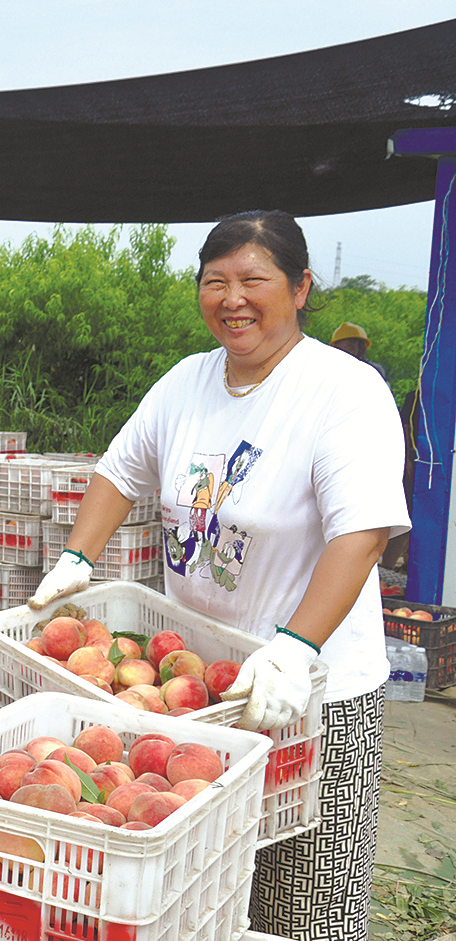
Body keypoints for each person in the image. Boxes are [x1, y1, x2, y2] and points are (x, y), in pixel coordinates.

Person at [27, 210, 408, 941]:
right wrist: (76, 555)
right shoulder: (185, 383)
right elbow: (119, 470)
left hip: (309, 692)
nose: (231, 298)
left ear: (299, 287)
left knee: (303, 910)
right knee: (200, 893)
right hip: (198, 690)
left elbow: (360, 532)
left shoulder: (341, 391)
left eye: (252, 280)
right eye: (214, 281)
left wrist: (296, 646)